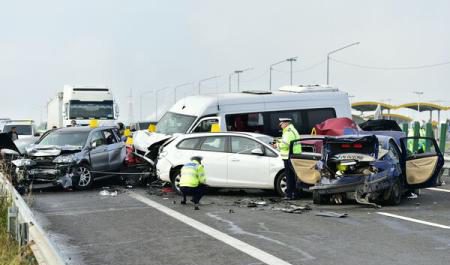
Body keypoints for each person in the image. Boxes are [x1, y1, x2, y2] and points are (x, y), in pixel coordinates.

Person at [275, 118, 301, 200]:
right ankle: (294, 193)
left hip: (288, 156)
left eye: (281, 123)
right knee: (292, 176)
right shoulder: (290, 130)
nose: (280, 125)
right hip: (292, 155)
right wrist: (278, 141)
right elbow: (286, 141)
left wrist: (277, 145)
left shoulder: (288, 132)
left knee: (289, 176)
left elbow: (286, 144)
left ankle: (289, 194)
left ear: (286, 123)